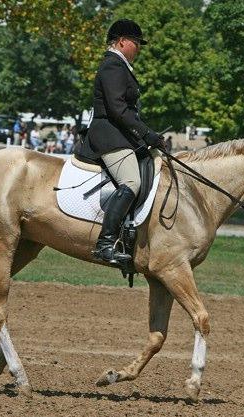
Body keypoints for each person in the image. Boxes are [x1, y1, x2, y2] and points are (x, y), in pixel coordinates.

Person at [74, 18, 164, 265]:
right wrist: (146, 134)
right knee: (131, 182)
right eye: (136, 43)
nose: (139, 48)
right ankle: (105, 244)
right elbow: (117, 109)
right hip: (109, 136)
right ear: (122, 41)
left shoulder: (120, 66)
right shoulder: (112, 66)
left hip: (121, 135)